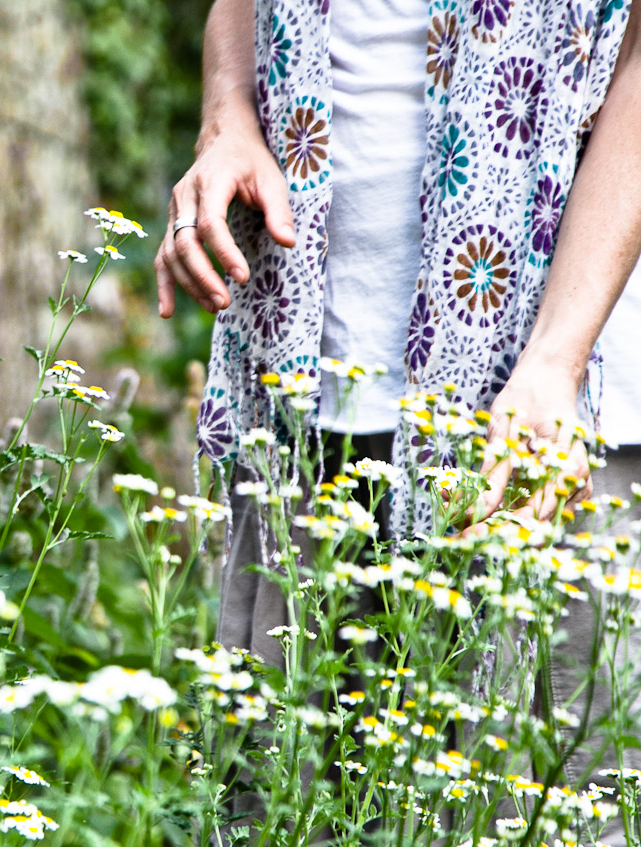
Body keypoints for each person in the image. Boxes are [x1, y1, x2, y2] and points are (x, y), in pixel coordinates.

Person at [154, 0, 641, 655]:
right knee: (287, 746)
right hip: (298, 383)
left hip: (544, 410)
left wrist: (558, 359)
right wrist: (228, 112)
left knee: (531, 741)